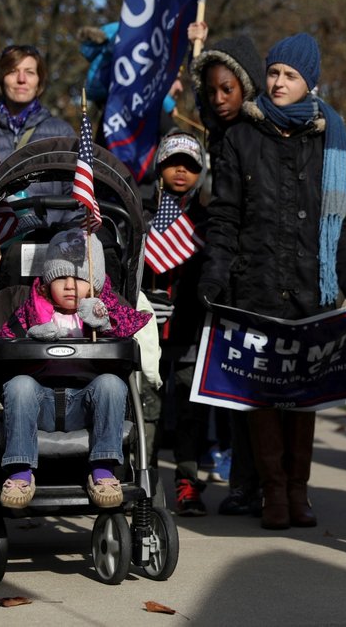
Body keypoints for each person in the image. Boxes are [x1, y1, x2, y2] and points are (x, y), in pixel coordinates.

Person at [197, 33, 346, 531]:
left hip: (313, 284)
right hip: (257, 282)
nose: (279, 82)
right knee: (263, 394)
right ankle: (271, 492)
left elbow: (345, 220)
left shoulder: (328, 136)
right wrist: (216, 273)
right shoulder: (241, 136)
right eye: (273, 73)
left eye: (290, 75)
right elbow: (225, 214)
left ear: (310, 81)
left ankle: (298, 491)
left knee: (303, 394)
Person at [0, 228, 153, 508]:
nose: (70, 285)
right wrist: (28, 335)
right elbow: (2, 341)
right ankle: (20, 471)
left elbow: (131, 325)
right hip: (39, 403)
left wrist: (105, 325)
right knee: (18, 384)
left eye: (80, 278)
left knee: (111, 384)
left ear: (95, 283)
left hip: (87, 407)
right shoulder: (30, 308)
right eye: (61, 278)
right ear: (46, 282)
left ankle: (103, 469)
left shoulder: (105, 307)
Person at [187, 22, 265, 516]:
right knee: (236, 387)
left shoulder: (259, 136)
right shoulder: (217, 135)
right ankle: (243, 482)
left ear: (248, 86)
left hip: (263, 272)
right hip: (230, 274)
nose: (218, 98)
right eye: (211, 90)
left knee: (264, 389)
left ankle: (269, 483)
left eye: (228, 88)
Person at [142, 131, 213, 515]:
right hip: (147, 331)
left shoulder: (205, 220)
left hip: (189, 329)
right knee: (147, 407)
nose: (181, 171)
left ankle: (187, 480)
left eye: (190, 166)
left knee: (189, 411)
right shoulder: (141, 213)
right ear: (160, 168)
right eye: (173, 164)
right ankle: (145, 480)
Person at [0, 44, 75, 161]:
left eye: (29, 72)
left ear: (39, 81)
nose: (21, 79)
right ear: (1, 78)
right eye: (12, 71)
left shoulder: (61, 133)